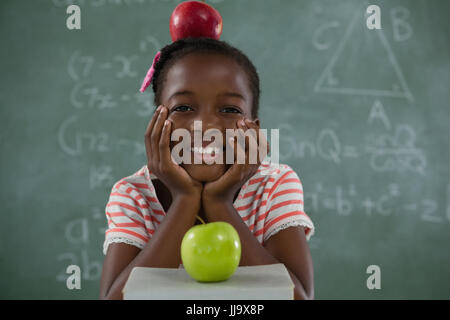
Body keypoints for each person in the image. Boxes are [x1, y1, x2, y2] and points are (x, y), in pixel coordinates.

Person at [99, 37, 315, 300]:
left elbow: (297, 297)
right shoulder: (133, 194)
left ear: (254, 131)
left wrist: (219, 201)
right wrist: (185, 199)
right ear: (157, 122)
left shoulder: (274, 185)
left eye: (229, 109)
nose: (205, 126)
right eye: (183, 107)